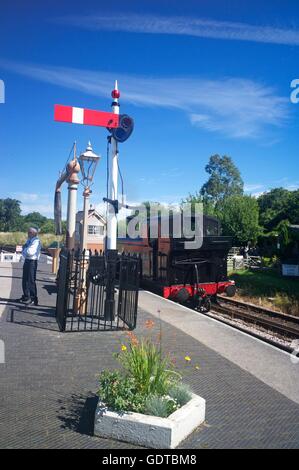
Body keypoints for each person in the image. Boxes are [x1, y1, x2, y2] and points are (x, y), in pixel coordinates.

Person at [19, 227, 41, 305]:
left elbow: (30, 252)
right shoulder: (30, 240)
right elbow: (25, 250)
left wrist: (24, 249)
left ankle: (33, 298)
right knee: (25, 279)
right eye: (28, 232)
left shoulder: (36, 241)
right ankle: (26, 296)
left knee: (31, 280)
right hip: (28, 261)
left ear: (34, 233)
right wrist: (25, 250)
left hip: (32, 261)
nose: (28, 234)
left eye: (29, 232)